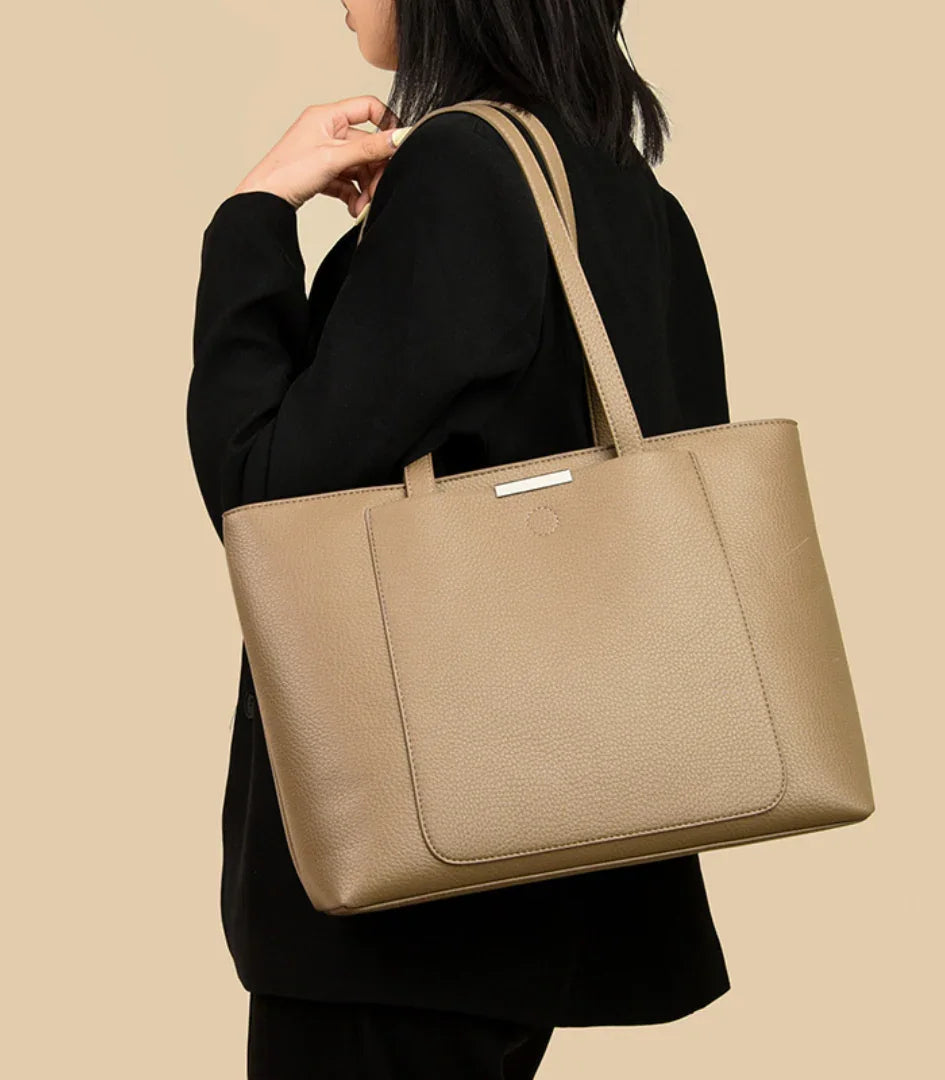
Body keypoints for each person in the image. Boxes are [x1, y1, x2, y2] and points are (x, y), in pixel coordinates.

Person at [187, 1, 734, 1075]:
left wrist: (253, 213)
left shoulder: (465, 169)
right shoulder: (624, 189)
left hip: (412, 882)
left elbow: (266, 501)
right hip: (547, 860)